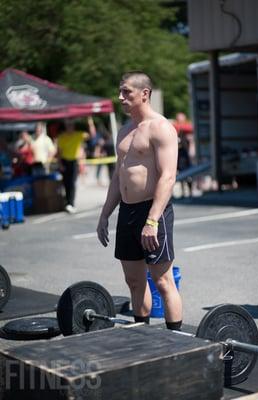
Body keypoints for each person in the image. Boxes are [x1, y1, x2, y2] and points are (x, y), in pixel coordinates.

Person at [97, 71, 183, 330]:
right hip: (128, 212)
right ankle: (141, 336)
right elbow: (117, 178)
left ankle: (175, 341)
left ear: (144, 94)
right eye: (120, 91)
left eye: (126, 92)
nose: (120, 97)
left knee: (163, 281)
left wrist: (152, 220)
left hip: (152, 212)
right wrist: (105, 215)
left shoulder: (161, 128)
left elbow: (168, 176)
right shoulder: (124, 132)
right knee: (134, 281)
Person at [57, 119, 88, 214]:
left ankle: (71, 203)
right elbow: (59, 152)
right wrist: (60, 164)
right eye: (68, 125)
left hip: (74, 161)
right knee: (66, 183)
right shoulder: (61, 137)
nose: (69, 127)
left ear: (73, 126)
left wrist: (89, 120)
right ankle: (67, 203)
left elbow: (92, 134)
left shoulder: (79, 135)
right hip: (65, 161)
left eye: (71, 125)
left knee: (72, 183)